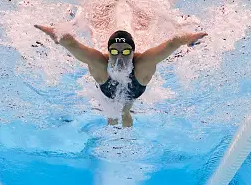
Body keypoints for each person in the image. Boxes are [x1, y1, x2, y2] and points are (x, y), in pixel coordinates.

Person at [34, 21, 206, 127]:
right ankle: (113, 124)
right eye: (115, 52)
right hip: (106, 88)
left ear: (133, 52)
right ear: (108, 51)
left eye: (125, 52)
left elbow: (172, 44)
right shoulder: (100, 62)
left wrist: (188, 38)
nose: (119, 57)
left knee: (124, 111)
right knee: (110, 112)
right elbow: (72, 44)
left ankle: (125, 121)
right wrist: (57, 35)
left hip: (135, 87)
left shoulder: (142, 64)